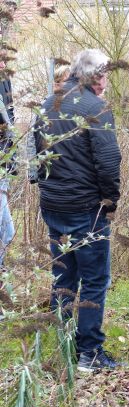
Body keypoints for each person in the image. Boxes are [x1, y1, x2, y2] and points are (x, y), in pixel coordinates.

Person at [32, 49, 123, 372]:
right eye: (106, 75)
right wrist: (110, 202)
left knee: (64, 278)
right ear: (96, 76)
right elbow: (109, 162)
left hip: (53, 205)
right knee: (95, 279)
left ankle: (64, 345)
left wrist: (43, 185)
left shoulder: (48, 102)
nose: (107, 81)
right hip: (86, 210)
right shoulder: (96, 108)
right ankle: (90, 353)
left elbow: (36, 152)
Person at [0, 58, 15, 269]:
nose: (3, 65)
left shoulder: (4, 82)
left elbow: (10, 118)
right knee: (6, 230)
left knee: (8, 231)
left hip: (4, 163)